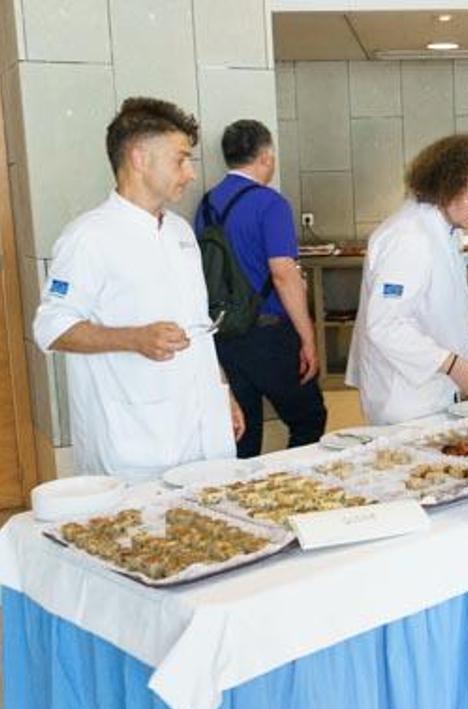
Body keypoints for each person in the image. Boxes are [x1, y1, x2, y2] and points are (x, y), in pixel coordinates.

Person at [32, 97, 242, 481]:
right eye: (180, 159)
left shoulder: (179, 231)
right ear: (140, 158)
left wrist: (222, 391)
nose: (191, 173)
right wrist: (134, 338)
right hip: (134, 441)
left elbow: (197, 324)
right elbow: (51, 327)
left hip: (203, 431)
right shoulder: (88, 237)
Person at [346, 134, 468, 424]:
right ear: (444, 186)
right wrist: (451, 364)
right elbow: (386, 324)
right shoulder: (409, 237)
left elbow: (437, 298)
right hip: (404, 396)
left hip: (430, 389)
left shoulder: (445, 229)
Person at [194, 120, 326, 458]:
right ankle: (295, 493)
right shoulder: (271, 204)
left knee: (243, 430)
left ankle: (246, 501)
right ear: (266, 156)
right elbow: (283, 274)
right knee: (309, 418)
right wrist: (308, 338)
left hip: (222, 333)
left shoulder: (206, 205)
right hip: (269, 334)